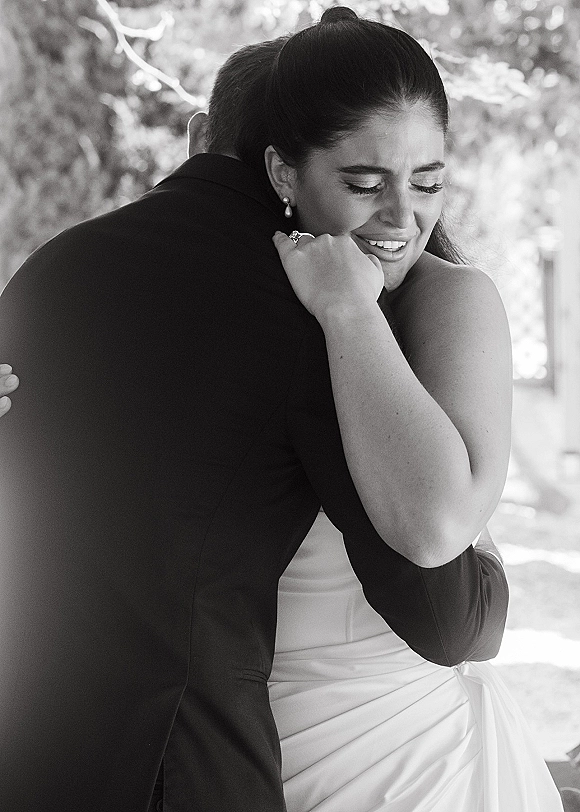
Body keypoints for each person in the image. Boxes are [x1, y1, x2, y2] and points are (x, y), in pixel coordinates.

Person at [0, 16, 514, 812]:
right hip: (190, 763)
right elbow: (451, 617)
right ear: (282, 169)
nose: (401, 218)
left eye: (427, 181)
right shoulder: (306, 312)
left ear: (206, 135)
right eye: (364, 181)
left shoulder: (52, 269)